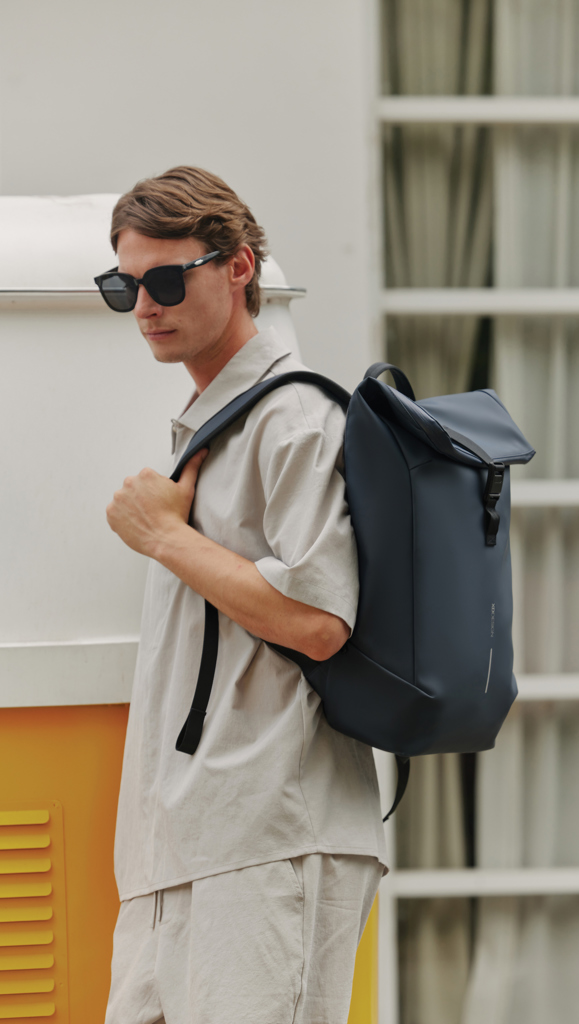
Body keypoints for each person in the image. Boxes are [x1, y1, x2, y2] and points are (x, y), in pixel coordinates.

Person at [100, 166, 387, 1024]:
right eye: (124, 285)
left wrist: (166, 538)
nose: (144, 305)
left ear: (238, 267)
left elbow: (320, 620)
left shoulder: (293, 420)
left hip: (269, 839)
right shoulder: (213, 428)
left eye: (164, 280)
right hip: (177, 851)